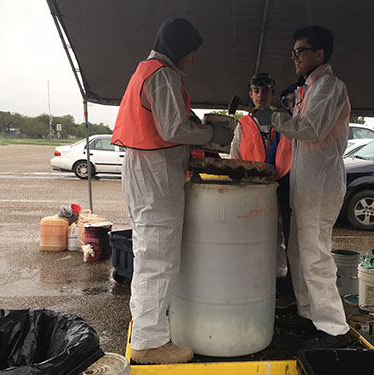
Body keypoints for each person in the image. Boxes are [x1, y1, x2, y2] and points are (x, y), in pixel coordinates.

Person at [111, 18, 233, 364]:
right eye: (192, 54)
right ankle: (150, 342)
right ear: (179, 49)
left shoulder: (147, 71)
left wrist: (198, 128)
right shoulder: (162, 75)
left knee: (151, 251)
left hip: (145, 169)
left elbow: (169, 123)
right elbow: (171, 128)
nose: (193, 60)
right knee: (158, 257)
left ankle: (150, 328)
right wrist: (211, 135)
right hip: (155, 172)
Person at [270, 25, 353, 347]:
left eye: (300, 51)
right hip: (305, 180)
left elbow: (313, 129)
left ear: (319, 54)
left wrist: (274, 118)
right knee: (298, 251)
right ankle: (308, 312)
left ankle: (335, 328)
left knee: (315, 253)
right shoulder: (308, 88)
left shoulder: (330, 85)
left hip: (321, 182)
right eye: (293, 52)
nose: (294, 58)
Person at [229, 73, 295, 309]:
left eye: (265, 91)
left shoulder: (285, 121)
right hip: (253, 190)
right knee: (253, 237)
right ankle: (253, 282)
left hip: (284, 186)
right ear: (251, 94)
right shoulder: (243, 125)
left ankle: (282, 286)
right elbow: (235, 159)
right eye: (256, 91)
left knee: (284, 237)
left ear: (272, 94)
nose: (260, 95)